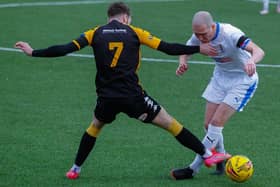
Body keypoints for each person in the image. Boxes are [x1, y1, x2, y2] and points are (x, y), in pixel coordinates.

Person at [15, 2, 230, 180]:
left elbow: (64, 49)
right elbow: (167, 47)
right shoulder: (135, 32)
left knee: (95, 126)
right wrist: (197, 48)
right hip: (134, 97)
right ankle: (206, 154)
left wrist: (33, 52)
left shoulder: (94, 33)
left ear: (110, 17)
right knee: (170, 123)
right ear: (126, 17)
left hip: (106, 99)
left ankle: (75, 169)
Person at [172, 11, 264, 180]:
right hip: (220, 79)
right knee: (208, 125)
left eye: (203, 34)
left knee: (216, 123)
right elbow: (185, 50)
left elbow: (258, 50)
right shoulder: (198, 35)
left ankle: (192, 169)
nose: (200, 38)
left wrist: (252, 60)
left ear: (213, 26)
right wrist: (183, 62)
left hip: (242, 81)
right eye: (197, 34)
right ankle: (221, 156)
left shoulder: (230, 34)